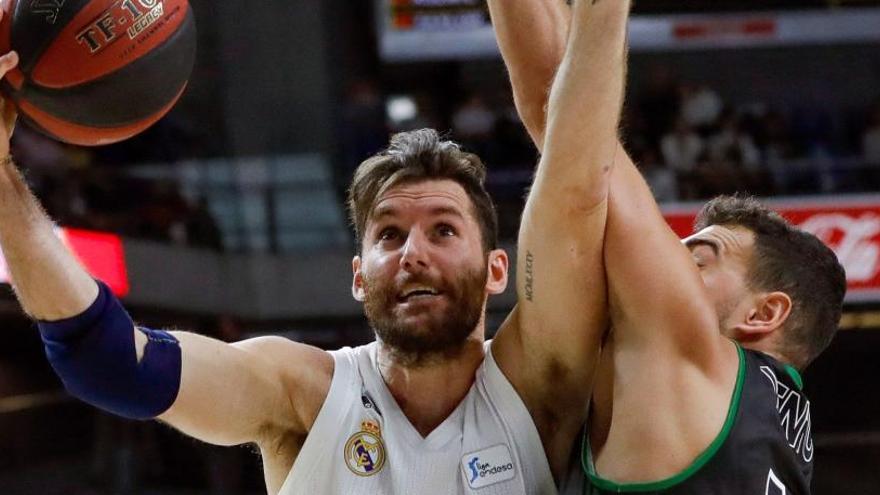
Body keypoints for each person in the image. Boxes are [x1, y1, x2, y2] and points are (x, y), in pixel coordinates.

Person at [0, 2, 630, 493]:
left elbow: (576, 184)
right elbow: (110, 363)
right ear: (359, 276)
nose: (413, 252)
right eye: (388, 234)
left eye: (443, 230)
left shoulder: (535, 382)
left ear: (498, 270)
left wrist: (605, 13)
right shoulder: (305, 394)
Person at [487, 0, 846, 493]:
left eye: (695, 260)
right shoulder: (780, 436)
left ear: (763, 314)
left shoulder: (695, 352)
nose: (668, 263)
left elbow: (562, 123)